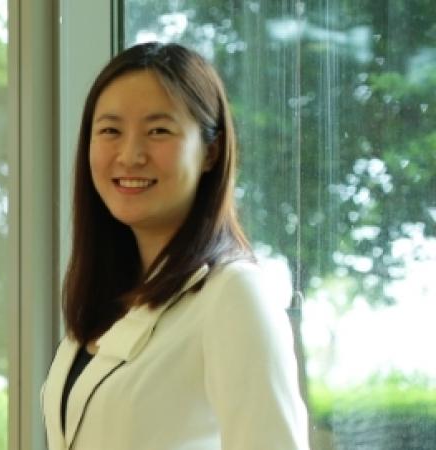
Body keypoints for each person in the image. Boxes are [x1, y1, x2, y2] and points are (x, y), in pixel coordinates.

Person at [41, 42, 308, 449]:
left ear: (210, 152)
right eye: (110, 130)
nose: (130, 155)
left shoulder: (233, 293)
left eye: (158, 131)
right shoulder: (111, 295)